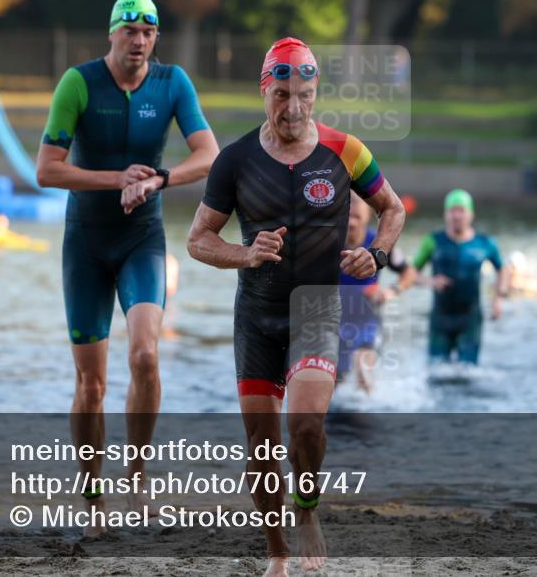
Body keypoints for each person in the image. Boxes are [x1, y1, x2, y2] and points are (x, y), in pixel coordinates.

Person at [186, 37, 405, 575]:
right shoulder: (234, 161)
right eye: (282, 95)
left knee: (305, 426)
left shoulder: (345, 150)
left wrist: (375, 255)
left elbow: (392, 208)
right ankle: (277, 553)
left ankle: (306, 509)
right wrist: (244, 252)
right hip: (257, 316)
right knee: (261, 450)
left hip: (316, 309)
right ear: (265, 90)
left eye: (304, 95)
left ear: (315, 92)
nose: (293, 109)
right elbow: (197, 239)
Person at [35, 0, 218, 535]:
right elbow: (47, 170)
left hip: (143, 236)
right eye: (130, 31)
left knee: (145, 355)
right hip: (86, 242)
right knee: (90, 386)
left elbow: (209, 155)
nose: (139, 42)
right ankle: (93, 500)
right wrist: (118, 179)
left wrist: (159, 180)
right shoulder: (79, 83)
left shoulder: (172, 84)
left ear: (155, 37)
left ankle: (137, 476)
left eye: (149, 32)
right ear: (112, 33)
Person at [412, 189, 508, 365]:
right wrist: (430, 281)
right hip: (440, 319)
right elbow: (410, 274)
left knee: (468, 375)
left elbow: (502, 269)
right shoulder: (433, 241)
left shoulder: (485, 243)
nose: (456, 216)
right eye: (452, 211)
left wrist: (498, 298)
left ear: (471, 215)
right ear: (445, 214)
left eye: (461, 211)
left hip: (470, 319)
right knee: (437, 373)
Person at [338, 192, 418, 394]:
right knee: (335, 384)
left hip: (368, 323)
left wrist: (390, 292)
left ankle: (368, 415)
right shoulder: (328, 243)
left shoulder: (379, 242)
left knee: (363, 371)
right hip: (335, 323)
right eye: (348, 217)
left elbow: (408, 272)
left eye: (357, 217)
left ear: (367, 215)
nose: (352, 223)